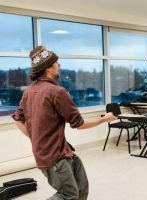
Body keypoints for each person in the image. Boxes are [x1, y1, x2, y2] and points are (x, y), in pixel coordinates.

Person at [12, 46, 117, 200]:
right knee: (68, 195)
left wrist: (36, 139)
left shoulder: (29, 91)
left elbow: (18, 120)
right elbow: (79, 124)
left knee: (81, 189)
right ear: (48, 67)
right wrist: (104, 119)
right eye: (56, 62)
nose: (59, 65)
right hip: (54, 157)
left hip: (61, 151)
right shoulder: (57, 92)